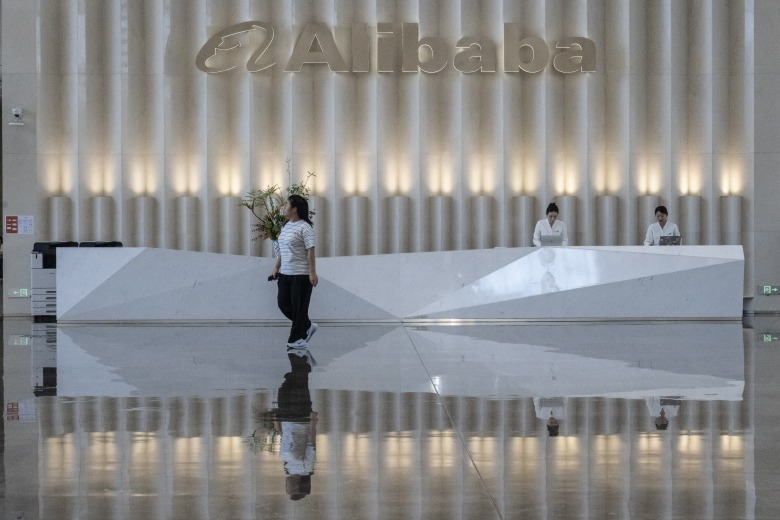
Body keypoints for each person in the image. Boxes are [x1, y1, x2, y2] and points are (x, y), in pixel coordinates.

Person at [272, 194, 319, 349]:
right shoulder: (286, 225)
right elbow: (282, 251)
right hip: (285, 273)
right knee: (282, 303)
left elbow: (310, 251)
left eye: (287, 206)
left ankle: (295, 339)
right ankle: (307, 325)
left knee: (299, 308)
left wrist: (312, 272)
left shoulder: (305, 227)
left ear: (294, 209)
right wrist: (277, 267)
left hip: (301, 274)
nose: (284, 208)